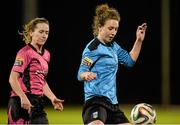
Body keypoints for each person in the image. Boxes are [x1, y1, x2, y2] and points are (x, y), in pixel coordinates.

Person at [77, 4, 147, 125]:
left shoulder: (114, 46)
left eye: (116, 29)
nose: (113, 32)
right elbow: (80, 73)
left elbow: (129, 61)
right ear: (100, 27)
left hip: (112, 104)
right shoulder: (92, 48)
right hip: (95, 102)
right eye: (110, 28)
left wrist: (139, 40)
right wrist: (86, 74)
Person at [7, 17, 64, 124]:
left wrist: (52, 98)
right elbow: (12, 78)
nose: (44, 35)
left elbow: (41, 80)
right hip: (20, 103)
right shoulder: (24, 53)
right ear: (31, 32)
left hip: (37, 103)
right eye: (41, 32)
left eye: (47, 32)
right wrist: (23, 97)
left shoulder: (47, 54)